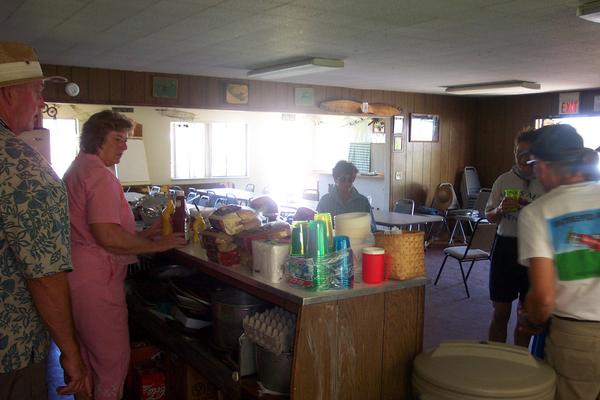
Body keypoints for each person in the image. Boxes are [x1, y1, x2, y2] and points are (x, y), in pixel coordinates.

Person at [62, 110, 187, 399]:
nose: (125, 146)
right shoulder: (101, 177)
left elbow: (91, 230)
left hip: (76, 276)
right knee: (111, 362)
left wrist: (144, 235)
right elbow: (107, 237)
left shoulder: (77, 169)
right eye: (118, 139)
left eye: (125, 139)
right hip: (97, 282)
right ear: (98, 139)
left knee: (87, 359)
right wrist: (159, 245)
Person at [0, 42, 88, 398]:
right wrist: (70, 352)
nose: (41, 104)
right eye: (37, 92)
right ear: (8, 94)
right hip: (9, 354)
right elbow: (45, 277)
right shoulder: (23, 168)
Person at [518, 124, 600, 400]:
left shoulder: (538, 212)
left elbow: (543, 297)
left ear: (542, 166)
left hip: (579, 337)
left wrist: (531, 319)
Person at [485, 129, 546, 347]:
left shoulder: (546, 181)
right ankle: (495, 357)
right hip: (505, 248)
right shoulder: (503, 180)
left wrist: (531, 209)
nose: (522, 158)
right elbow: (489, 217)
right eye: (518, 153)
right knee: (500, 312)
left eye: (527, 153)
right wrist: (500, 209)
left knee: (525, 315)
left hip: (534, 250)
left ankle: (518, 359)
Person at [316, 160, 375, 229]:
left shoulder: (363, 202)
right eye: (343, 179)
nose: (347, 183)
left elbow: (371, 228)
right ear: (335, 179)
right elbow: (317, 226)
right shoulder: (325, 201)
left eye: (350, 180)